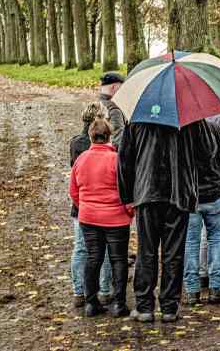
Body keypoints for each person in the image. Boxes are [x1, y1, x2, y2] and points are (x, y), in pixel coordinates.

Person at [118, 119, 220, 322]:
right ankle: (169, 307)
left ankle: (145, 305)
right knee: (174, 252)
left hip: (148, 193)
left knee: (147, 251)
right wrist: (219, 185)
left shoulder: (137, 121)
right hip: (178, 194)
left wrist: (127, 196)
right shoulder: (188, 122)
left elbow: (124, 161)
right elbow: (208, 155)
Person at [69, 118, 133, 318]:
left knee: (93, 258)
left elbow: (73, 191)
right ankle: (119, 303)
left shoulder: (82, 159)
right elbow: (127, 189)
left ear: (91, 136)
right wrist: (129, 211)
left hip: (89, 218)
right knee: (118, 259)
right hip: (116, 218)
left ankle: (91, 302)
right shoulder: (116, 159)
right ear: (109, 136)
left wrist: (85, 207)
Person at [184, 113, 220, 305]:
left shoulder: (180, 132)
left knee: (191, 242)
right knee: (217, 238)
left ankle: (192, 290)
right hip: (214, 194)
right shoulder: (214, 129)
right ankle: (217, 288)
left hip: (191, 197)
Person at [69, 102, 112, 309]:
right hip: (102, 207)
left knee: (81, 249)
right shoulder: (107, 148)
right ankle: (104, 290)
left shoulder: (75, 143)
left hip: (81, 207)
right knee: (102, 251)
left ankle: (79, 291)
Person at [99, 72, 126, 148]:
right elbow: (118, 141)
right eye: (121, 88)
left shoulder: (94, 105)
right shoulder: (114, 110)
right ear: (113, 87)